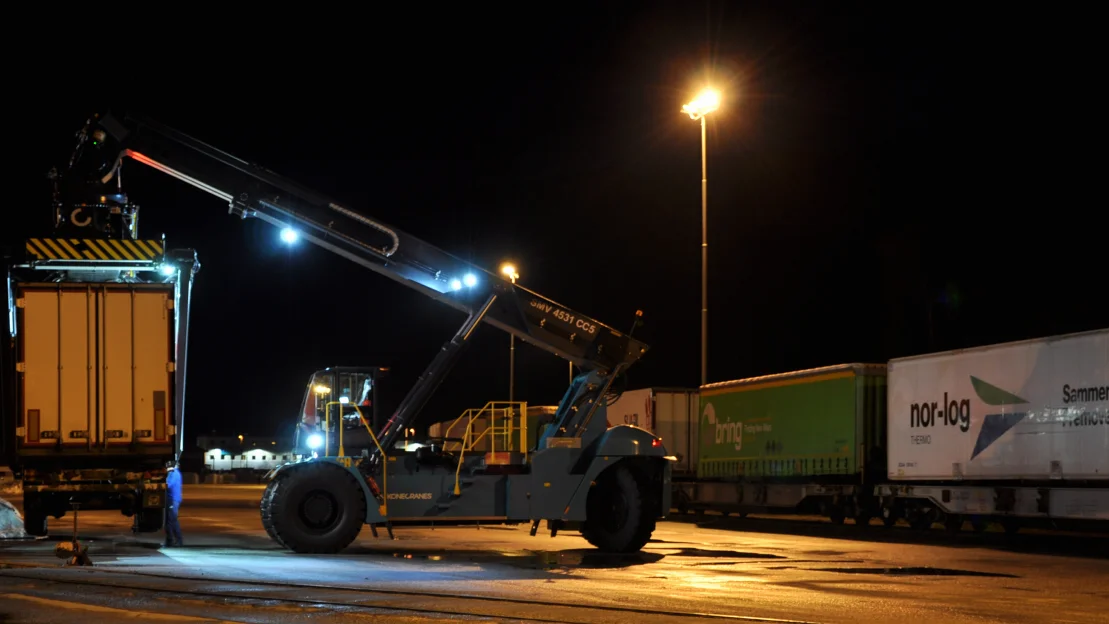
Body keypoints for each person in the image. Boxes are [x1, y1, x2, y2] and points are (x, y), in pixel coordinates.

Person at [163, 459, 183, 547]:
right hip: (174, 499)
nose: (167, 469)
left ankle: (172, 541)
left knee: (171, 521)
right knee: (172, 520)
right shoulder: (176, 472)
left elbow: (168, 484)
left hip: (172, 500)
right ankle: (175, 540)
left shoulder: (173, 473)